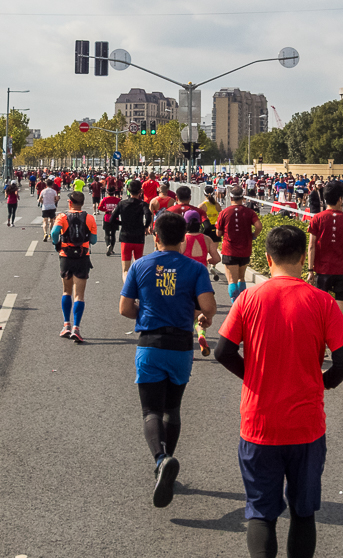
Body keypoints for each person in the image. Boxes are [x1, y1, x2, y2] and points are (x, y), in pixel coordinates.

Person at [215, 225, 343, 558]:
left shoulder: (249, 298)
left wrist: (253, 377)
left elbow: (223, 351)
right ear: (303, 257)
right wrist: (322, 382)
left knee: (261, 512)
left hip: (259, 423)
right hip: (306, 426)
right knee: (303, 512)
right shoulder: (322, 301)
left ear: (267, 258)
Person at [119, 212, 217, 508]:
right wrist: (199, 315)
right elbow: (209, 307)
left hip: (150, 344)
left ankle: (161, 459)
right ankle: (167, 463)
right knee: (171, 409)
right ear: (184, 239)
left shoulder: (140, 265)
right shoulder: (194, 268)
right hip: (180, 347)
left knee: (150, 410)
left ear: (154, 234)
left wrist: (147, 312)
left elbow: (124, 308)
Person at [306, 181, 343, 322]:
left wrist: (310, 270)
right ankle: (342, 342)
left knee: (320, 310)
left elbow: (311, 246)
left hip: (322, 270)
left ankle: (320, 341)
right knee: (342, 310)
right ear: (339, 199)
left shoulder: (317, 218)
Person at [52, 190, 98, 344]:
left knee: (66, 291)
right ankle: (76, 328)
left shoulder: (62, 217)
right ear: (83, 203)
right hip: (82, 257)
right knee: (79, 295)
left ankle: (66, 325)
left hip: (66, 255)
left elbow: (54, 233)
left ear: (69, 202)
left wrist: (57, 243)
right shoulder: (90, 218)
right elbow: (94, 240)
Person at [183, 210, 222, 356]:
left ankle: (188, 350)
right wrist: (207, 261)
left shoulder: (183, 240)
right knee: (200, 316)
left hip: (185, 281)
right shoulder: (206, 239)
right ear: (199, 223)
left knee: (186, 316)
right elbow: (217, 258)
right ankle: (201, 335)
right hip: (202, 280)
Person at [217, 185, 263, 301]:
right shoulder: (249, 212)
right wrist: (254, 235)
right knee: (241, 277)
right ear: (242, 198)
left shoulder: (224, 212)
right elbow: (258, 226)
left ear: (230, 198)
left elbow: (218, 233)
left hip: (229, 249)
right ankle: (242, 302)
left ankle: (235, 303)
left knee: (232, 279)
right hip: (245, 249)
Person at [112, 179, 153, 280]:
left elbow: (112, 218)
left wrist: (122, 223)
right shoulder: (142, 204)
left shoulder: (122, 204)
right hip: (139, 237)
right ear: (140, 191)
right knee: (138, 267)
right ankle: (137, 288)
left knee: (125, 269)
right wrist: (145, 226)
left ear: (128, 190)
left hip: (125, 237)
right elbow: (148, 215)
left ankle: (127, 290)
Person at [98, 185, 122, 257]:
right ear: (114, 192)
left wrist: (106, 210)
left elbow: (99, 207)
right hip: (115, 218)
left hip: (107, 217)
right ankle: (112, 248)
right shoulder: (118, 200)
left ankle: (108, 245)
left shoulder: (105, 199)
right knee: (113, 234)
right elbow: (120, 208)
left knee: (107, 233)